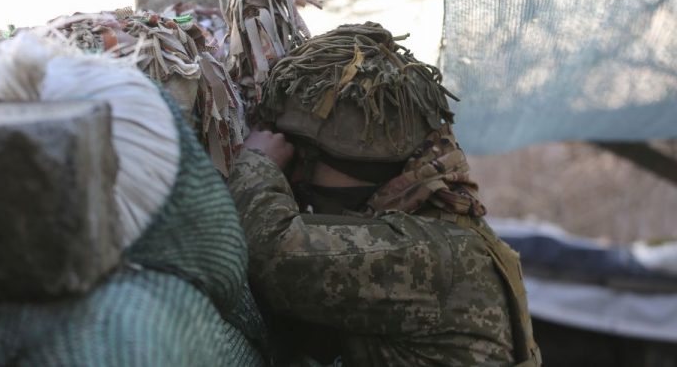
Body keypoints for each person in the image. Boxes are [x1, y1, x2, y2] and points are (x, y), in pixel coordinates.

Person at [228, 22, 541, 366]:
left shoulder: (426, 252)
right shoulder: (437, 223)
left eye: (305, 155)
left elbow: (275, 258)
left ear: (365, 167)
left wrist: (257, 163)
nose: (296, 171)